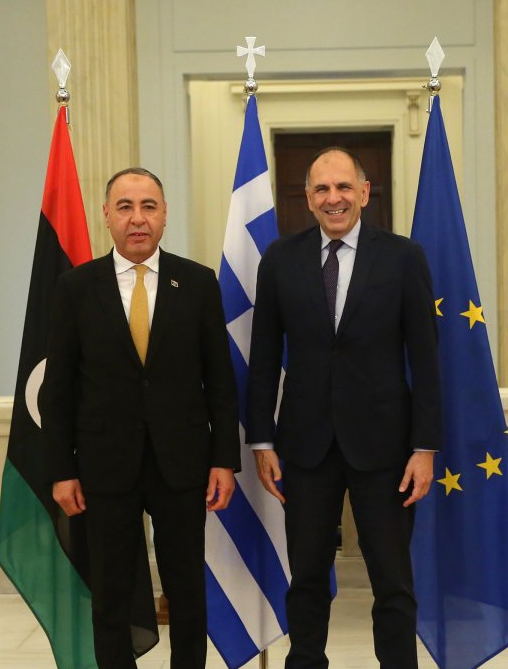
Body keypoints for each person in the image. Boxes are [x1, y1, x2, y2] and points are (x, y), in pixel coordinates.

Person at [247, 147, 441, 668]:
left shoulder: (403, 258)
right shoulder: (280, 260)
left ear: (364, 193)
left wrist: (424, 447)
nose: (334, 198)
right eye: (322, 189)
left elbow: (426, 359)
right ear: (309, 199)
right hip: (304, 448)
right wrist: (262, 440)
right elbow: (263, 357)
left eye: (343, 187)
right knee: (306, 578)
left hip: (387, 449)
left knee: (393, 581)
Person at [40, 167, 240, 668]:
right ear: (106, 215)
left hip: (182, 466)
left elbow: (219, 381)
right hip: (104, 467)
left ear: (165, 215)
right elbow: (58, 389)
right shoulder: (75, 288)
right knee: (110, 594)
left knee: (187, 593)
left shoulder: (198, 283)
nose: (137, 218)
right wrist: (61, 469)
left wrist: (223, 460)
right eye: (125, 207)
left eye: (148, 206)